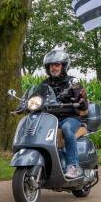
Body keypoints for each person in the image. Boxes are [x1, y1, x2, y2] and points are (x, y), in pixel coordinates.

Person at [40, 48, 88, 179]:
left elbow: (82, 99)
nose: (53, 68)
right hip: (50, 119)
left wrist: (82, 101)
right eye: (51, 65)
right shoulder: (44, 84)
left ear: (63, 66)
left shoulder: (73, 82)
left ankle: (73, 166)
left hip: (70, 118)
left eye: (57, 65)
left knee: (66, 128)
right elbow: (36, 98)